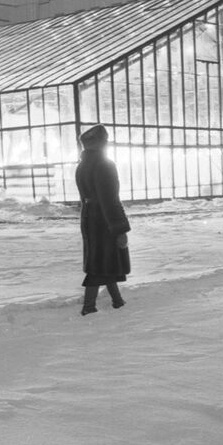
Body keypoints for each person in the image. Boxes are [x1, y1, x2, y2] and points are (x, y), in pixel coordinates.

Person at [75, 124, 130, 315]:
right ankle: (88, 307)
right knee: (100, 264)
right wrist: (120, 229)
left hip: (90, 218)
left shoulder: (82, 166)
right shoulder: (104, 165)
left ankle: (118, 301)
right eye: (105, 141)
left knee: (104, 261)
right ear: (100, 144)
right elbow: (110, 200)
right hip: (104, 221)